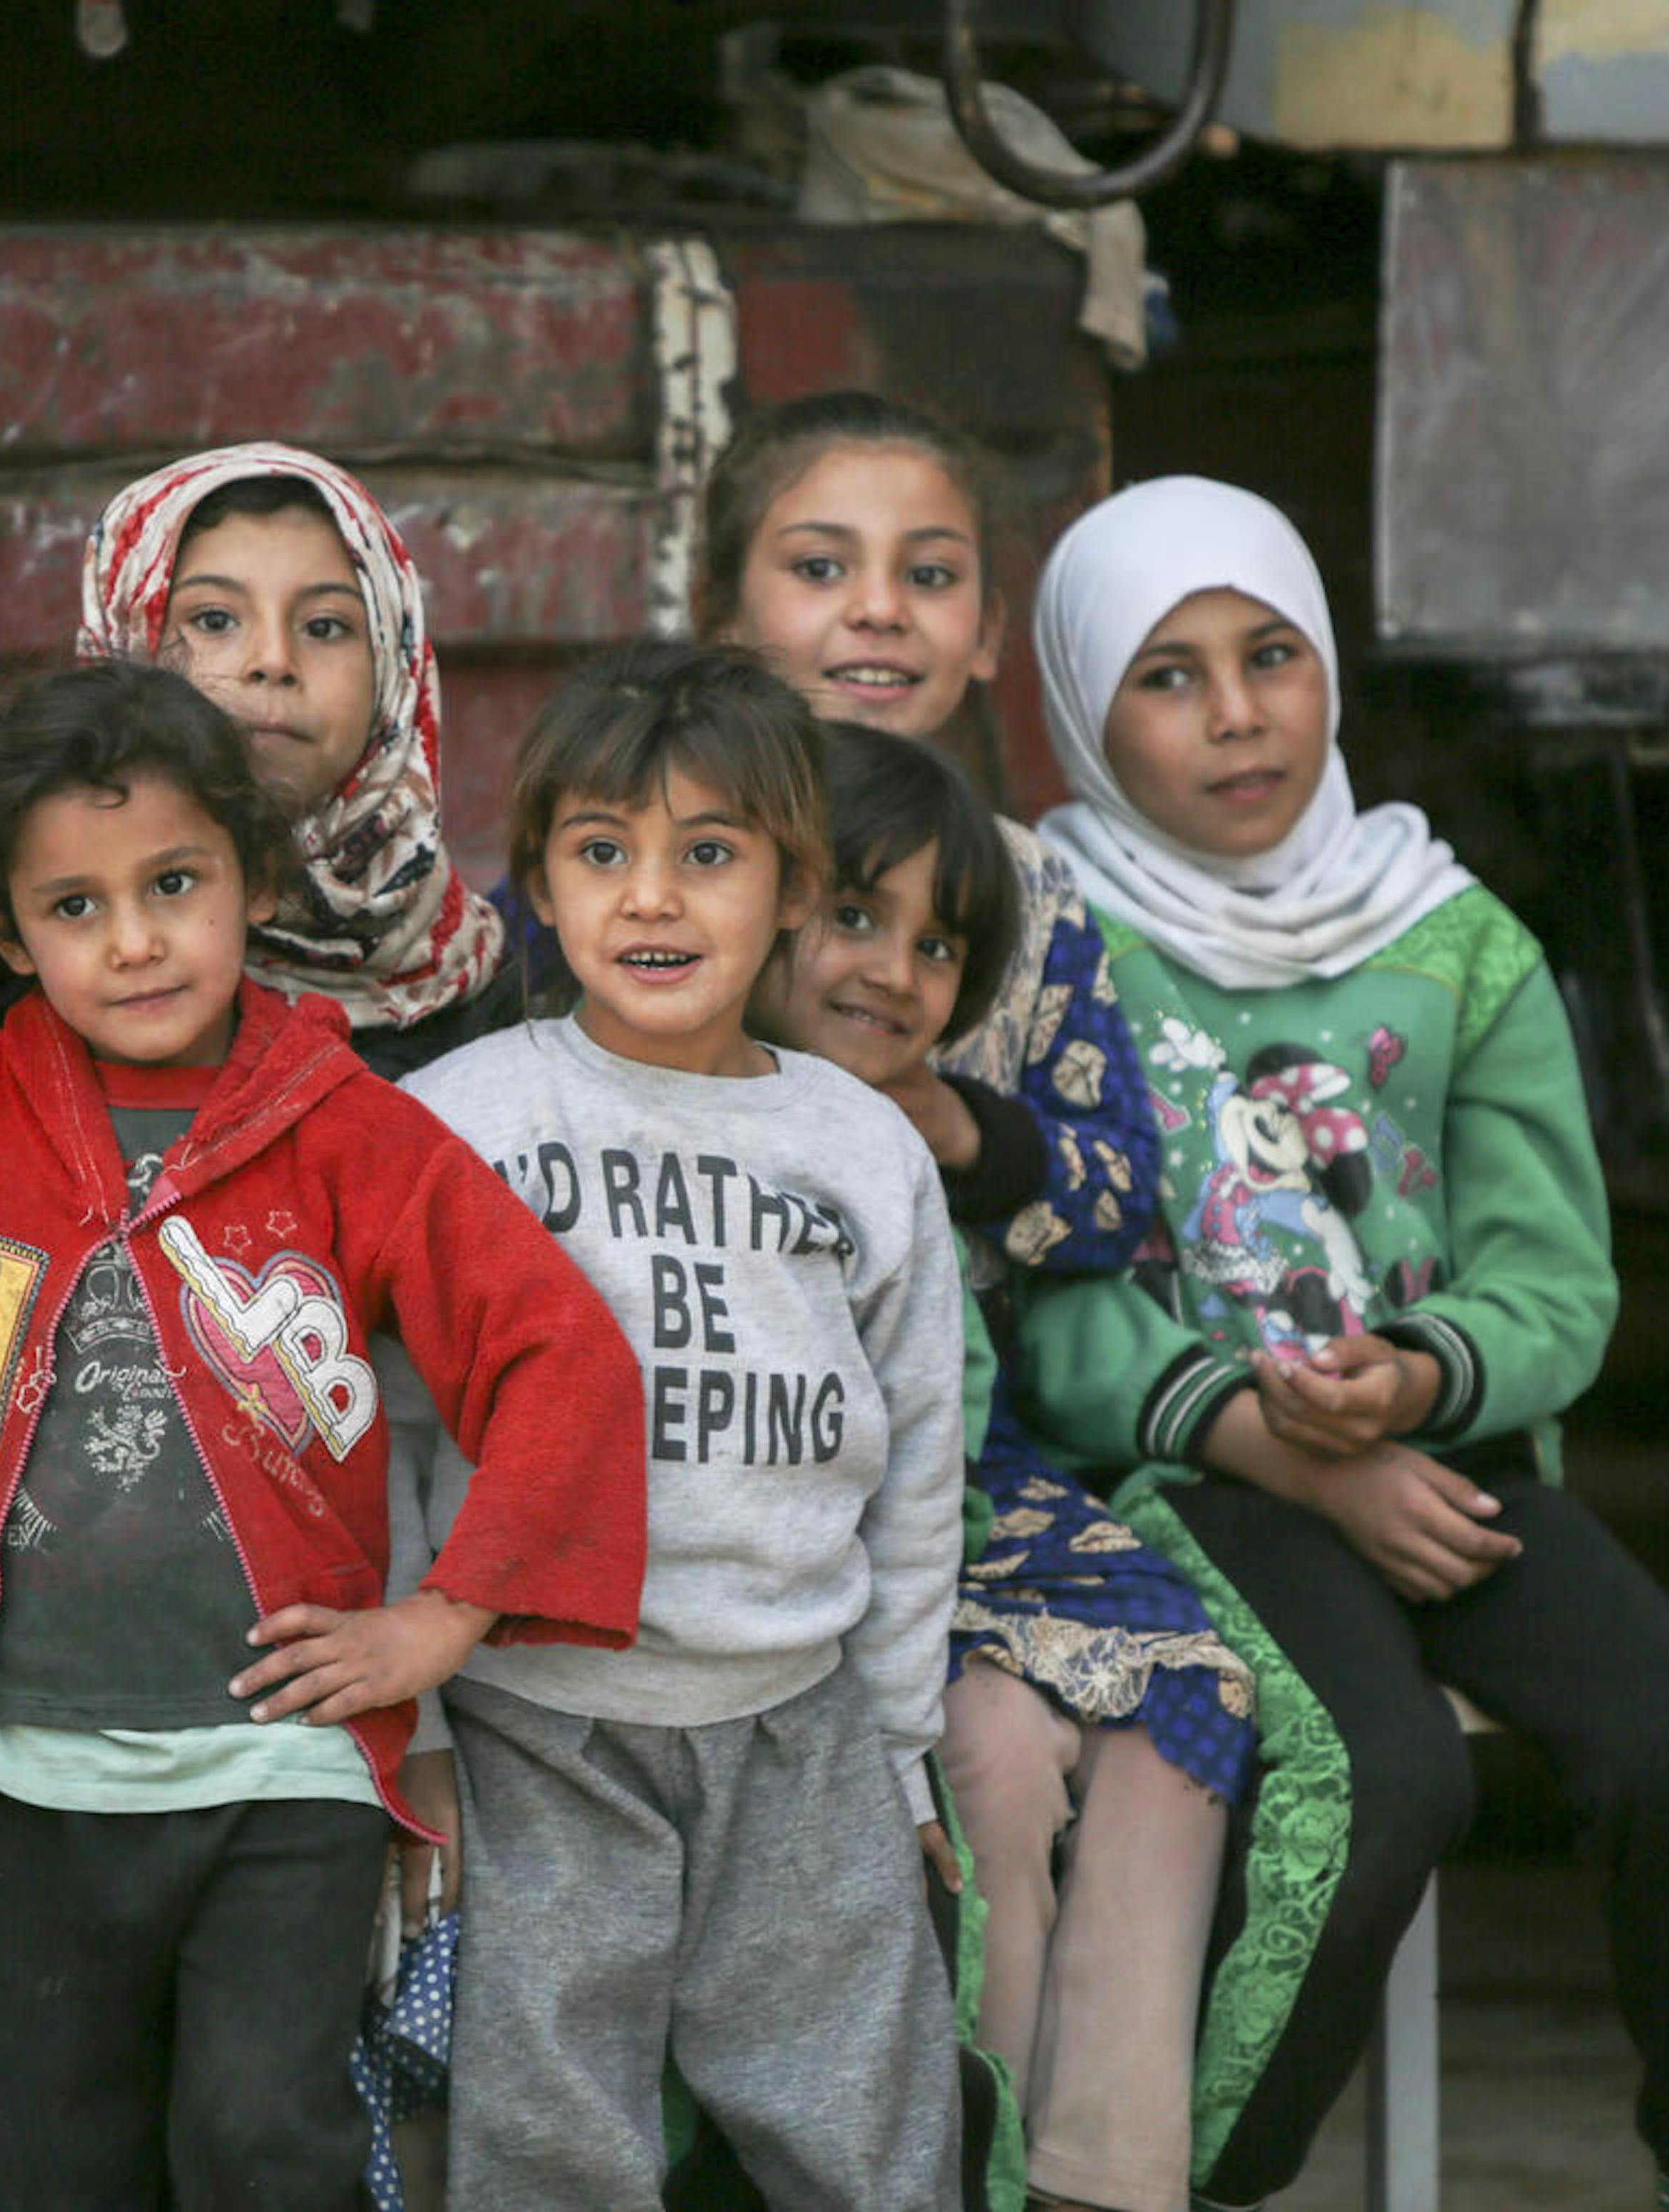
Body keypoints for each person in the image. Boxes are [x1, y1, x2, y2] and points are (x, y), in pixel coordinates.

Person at [0, 660, 648, 2210]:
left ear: (254, 881)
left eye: (174, 884)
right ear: (7, 932)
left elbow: (557, 1355)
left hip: (283, 1765)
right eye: (74, 908)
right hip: (21, 1761)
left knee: (260, 2142)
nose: (134, 938)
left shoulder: (349, 1128)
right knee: (29, 2157)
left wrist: (443, 1615)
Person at [1013, 477, 1669, 2212]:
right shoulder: (1047, 939)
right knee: (1383, 1773)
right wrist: (1285, 1435)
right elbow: (1041, 1291)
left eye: (1271, 655)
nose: (1237, 712)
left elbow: (1555, 1278)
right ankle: (1199, 2174)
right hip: (1192, 1471)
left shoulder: (1453, 940)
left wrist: (1413, 1383)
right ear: (1082, 709)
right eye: (1166, 674)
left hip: (1441, 1456)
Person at [396, 641, 970, 2210]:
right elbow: (380, 1432)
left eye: (708, 855)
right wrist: (423, 1729)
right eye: (603, 855)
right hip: (539, 1721)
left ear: (795, 887)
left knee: (870, 2132)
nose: (652, 900)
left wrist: (904, 1749)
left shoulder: (858, 1147)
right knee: (551, 2134)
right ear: (541, 886)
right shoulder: (465, 1126)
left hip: (801, 1725)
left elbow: (919, 1460)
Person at [749, 722, 1257, 2212]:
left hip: (970, 1505)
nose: (892, 973)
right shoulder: (675, 1112)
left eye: (938, 948)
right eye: (854, 914)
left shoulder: (923, 1145)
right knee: (994, 1756)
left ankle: (1106, 2177)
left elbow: (961, 1407)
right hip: (817, 1555)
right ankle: (981, 2168)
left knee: (1185, 1708)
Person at [0, 441, 514, 1269]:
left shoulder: (462, 973)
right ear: (127, 636)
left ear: (396, 661)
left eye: (326, 626)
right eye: (213, 620)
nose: (272, 661)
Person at [496, 387, 1162, 1285]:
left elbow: (1120, 1191)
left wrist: (964, 1135)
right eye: (820, 569)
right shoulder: (628, 850)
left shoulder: (1027, 883)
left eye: (929, 576)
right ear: (718, 615)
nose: (880, 608)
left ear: (988, 633)